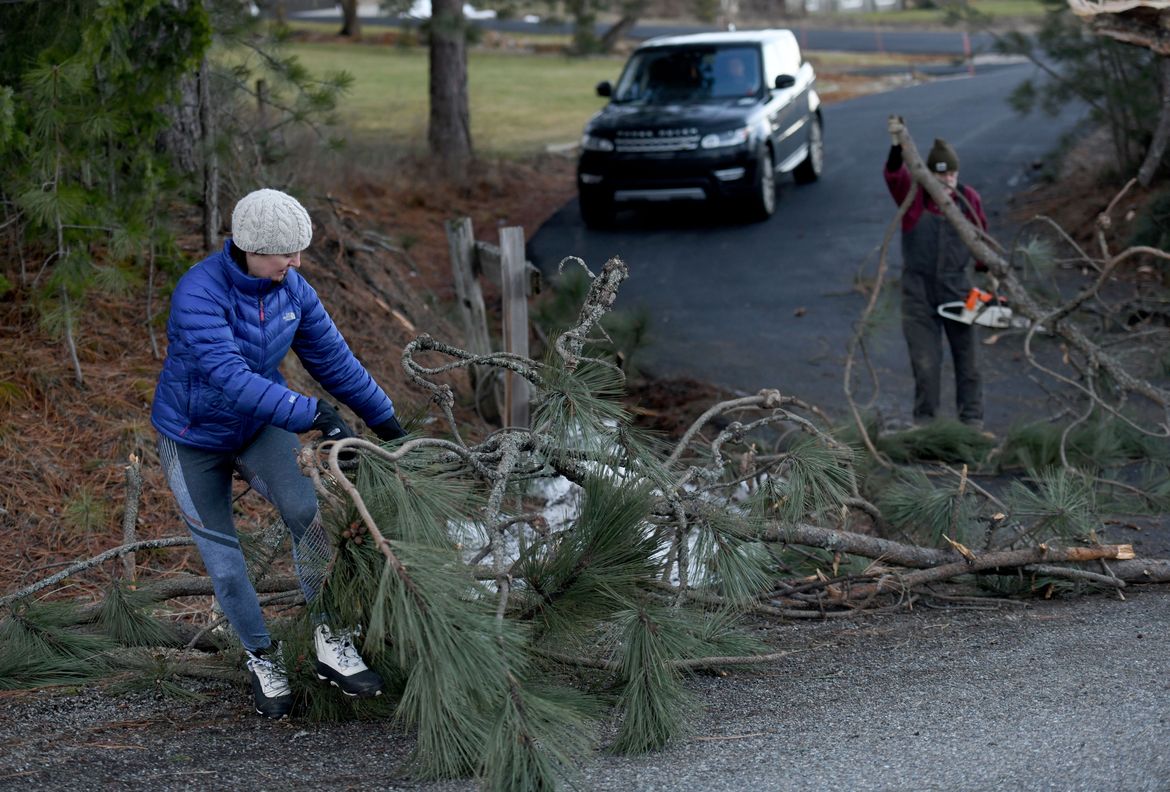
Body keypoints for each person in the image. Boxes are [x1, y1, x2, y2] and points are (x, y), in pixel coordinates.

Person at [151, 188, 408, 719]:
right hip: (192, 438)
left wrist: (389, 427)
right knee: (225, 565)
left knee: (306, 512)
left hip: (258, 427)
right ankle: (262, 657)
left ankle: (329, 640)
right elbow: (229, 378)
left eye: (299, 252)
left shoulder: (292, 288)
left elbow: (335, 360)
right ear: (249, 247)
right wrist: (311, 415)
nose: (296, 262)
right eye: (285, 253)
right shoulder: (198, 292)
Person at [883, 122, 989, 429]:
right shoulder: (914, 197)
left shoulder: (969, 199)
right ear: (928, 174)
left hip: (959, 289)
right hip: (918, 293)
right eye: (939, 175)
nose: (946, 181)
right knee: (926, 364)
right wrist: (896, 146)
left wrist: (989, 276)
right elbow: (893, 175)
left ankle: (972, 424)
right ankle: (925, 426)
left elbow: (981, 242)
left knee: (968, 362)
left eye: (951, 174)